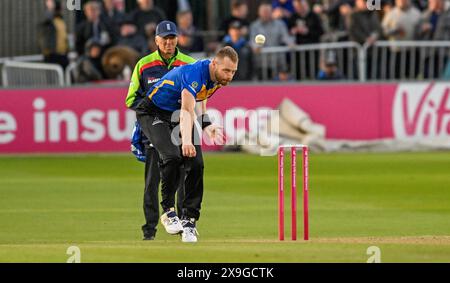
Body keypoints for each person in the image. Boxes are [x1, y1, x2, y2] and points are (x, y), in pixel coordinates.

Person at [135, 46, 238, 242]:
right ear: (214, 63)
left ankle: (189, 220)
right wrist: (187, 142)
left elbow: (200, 99)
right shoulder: (194, 72)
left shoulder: (217, 79)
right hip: (153, 111)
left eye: (233, 71)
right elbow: (186, 110)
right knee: (173, 157)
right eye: (226, 70)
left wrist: (206, 125)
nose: (230, 75)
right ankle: (168, 212)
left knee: (196, 164)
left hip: (176, 113)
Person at [125, 21, 196, 241]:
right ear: (156, 40)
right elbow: (131, 99)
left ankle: (185, 223)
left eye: (172, 38)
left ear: (178, 39)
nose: (168, 43)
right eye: (164, 39)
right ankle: (150, 230)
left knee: (184, 176)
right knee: (152, 180)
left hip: (180, 127)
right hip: (155, 129)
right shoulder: (144, 65)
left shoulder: (188, 64)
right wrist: (149, 114)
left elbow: (199, 94)